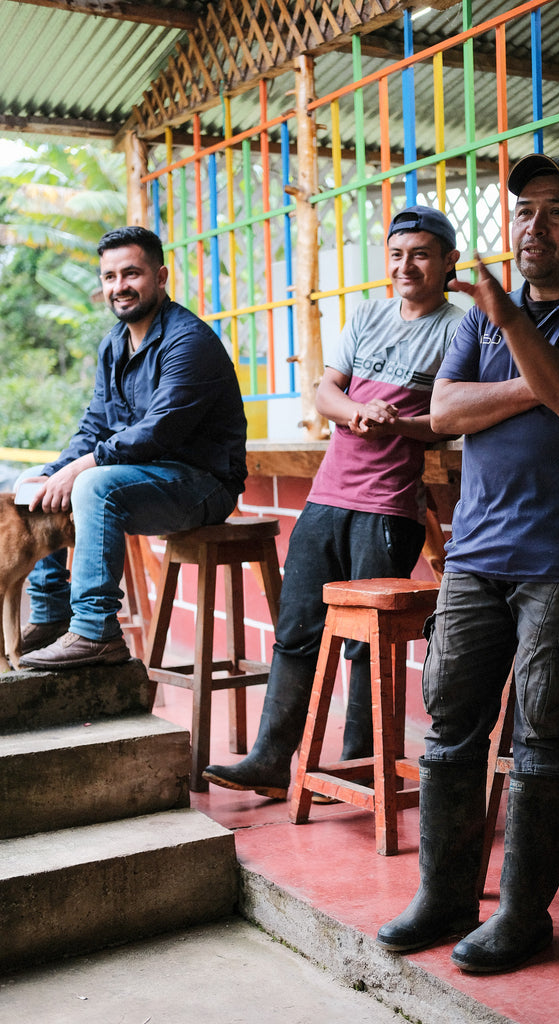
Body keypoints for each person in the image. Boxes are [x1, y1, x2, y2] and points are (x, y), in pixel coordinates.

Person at [376, 155, 559, 973]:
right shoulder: (481, 316)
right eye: (524, 212)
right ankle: (443, 897)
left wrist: (517, 336)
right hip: (475, 552)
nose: (533, 226)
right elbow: (440, 411)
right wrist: (546, 373)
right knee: (450, 726)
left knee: (541, 735)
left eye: (556, 212)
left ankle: (521, 917)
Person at [202, 205, 464, 799]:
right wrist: (357, 412)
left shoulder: (459, 328)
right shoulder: (367, 315)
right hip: (326, 500)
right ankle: (271, 760)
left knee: (365, 645)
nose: (406, 265)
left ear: (449, 261)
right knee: (296, 631)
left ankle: (359, 765)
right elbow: (325, 390)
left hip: (388, 508)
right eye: (397, 255)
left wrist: (395, 422)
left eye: (421, 254)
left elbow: (451, 420)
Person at [19, 225, 247, 670]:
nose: (119, 286)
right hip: (143, 477)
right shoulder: (114, 345)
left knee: (93, 486)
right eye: (109, 277)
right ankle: (49, 616)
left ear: (160, 277)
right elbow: (95, 425)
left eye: (131, 274)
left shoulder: (189, 341)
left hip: (202, 485)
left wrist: (81, 469)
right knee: (34, 483)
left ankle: (96, 631)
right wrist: (56, 470)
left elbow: (159, 431)